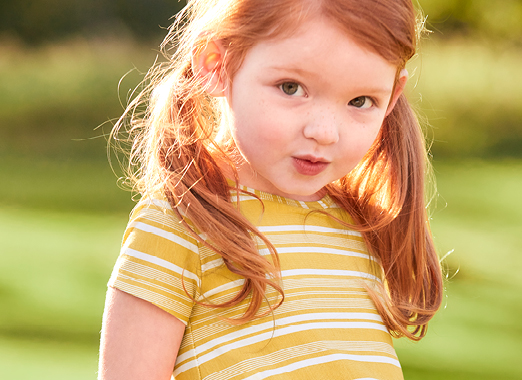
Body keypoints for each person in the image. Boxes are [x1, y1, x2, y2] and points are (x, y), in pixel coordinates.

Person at [99, 0, 443, 379]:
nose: (324, 131)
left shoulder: (356, 225)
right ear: (216, 64)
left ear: (392, 98)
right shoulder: (179, 225)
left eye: (360, 101)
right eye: (291, 88)